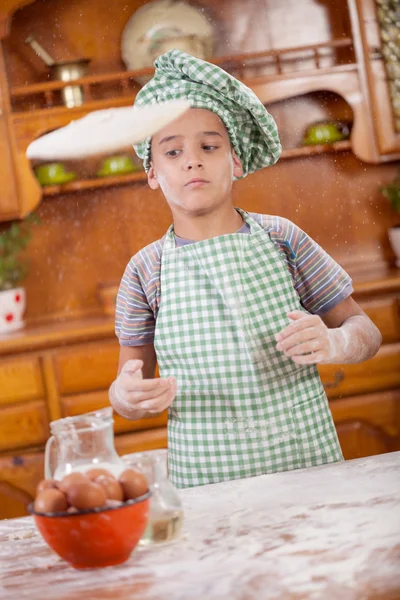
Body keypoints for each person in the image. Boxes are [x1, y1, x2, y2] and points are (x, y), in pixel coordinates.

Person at [109, 50, 382, 489]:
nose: (192, 161)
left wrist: (334, 341)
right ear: (152, 172)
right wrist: (126, 395)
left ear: (235, 160)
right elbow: (126, 390)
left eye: (209, 146)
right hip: (207, 483)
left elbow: (367, 334)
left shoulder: (283, 239)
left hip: (306, 465)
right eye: (172, 151)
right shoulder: (145, 271)